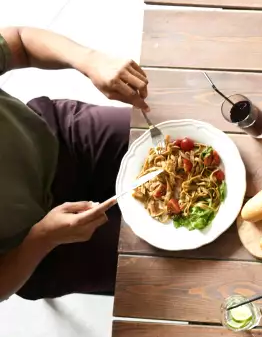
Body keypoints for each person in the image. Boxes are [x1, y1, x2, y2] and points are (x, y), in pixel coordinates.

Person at [0, 26, 150, 302]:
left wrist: (89, 60)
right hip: (36, 247)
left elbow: (19, 42)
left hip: (60, 138)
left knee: (174, 143)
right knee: (166, 263)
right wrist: (42, 238)